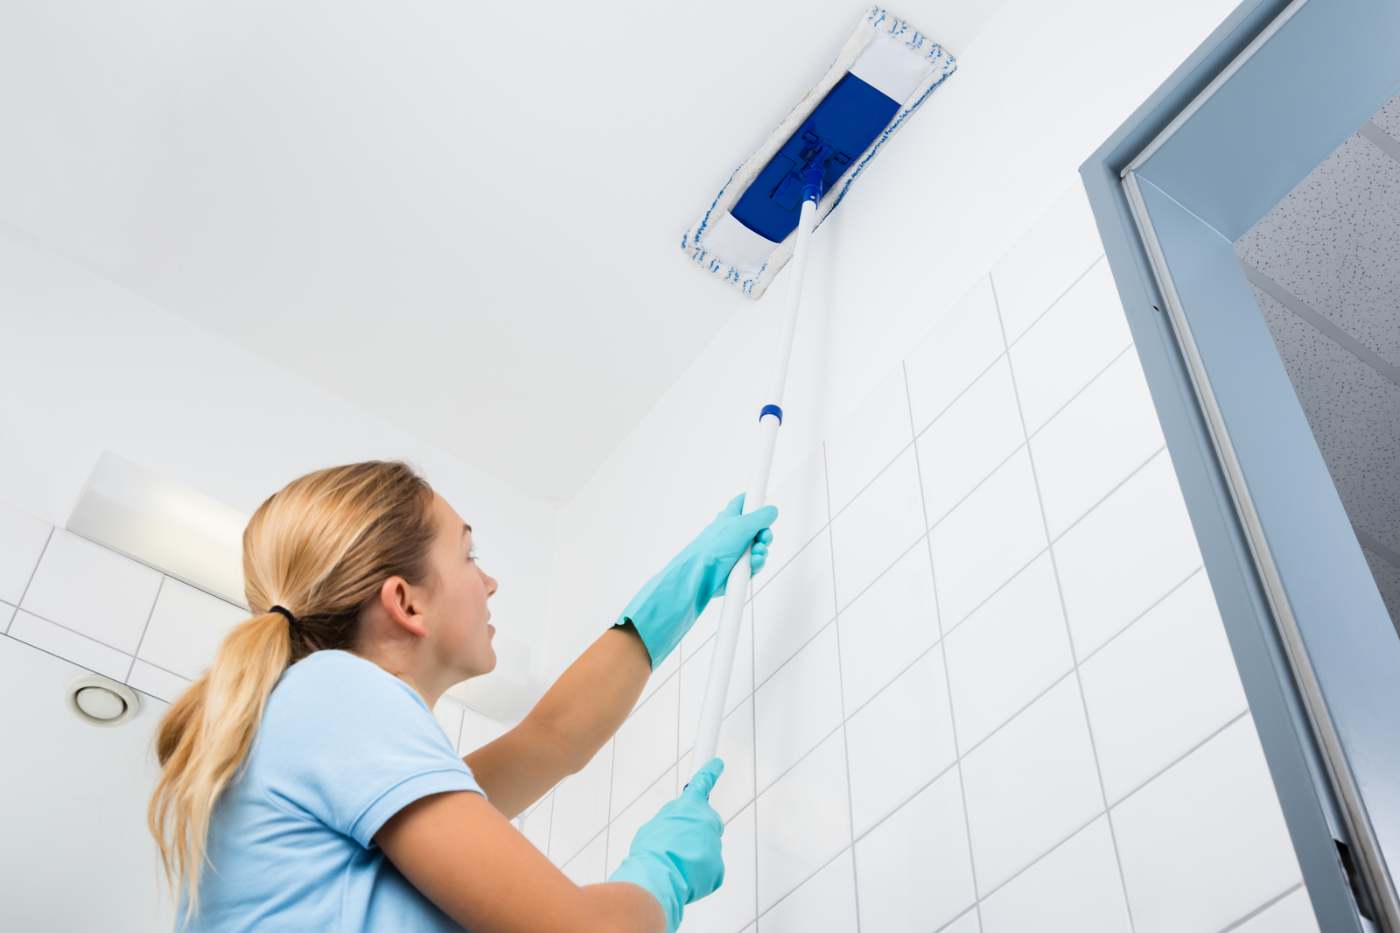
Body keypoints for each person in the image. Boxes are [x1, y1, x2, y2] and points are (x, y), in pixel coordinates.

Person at [146, 460, 778, 932]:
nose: (492, 581)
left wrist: (681, 591)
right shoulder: (334, 693)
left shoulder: (322, 730)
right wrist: (661, 873)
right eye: (469, 554)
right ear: (406, 601)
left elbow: (550, 741)